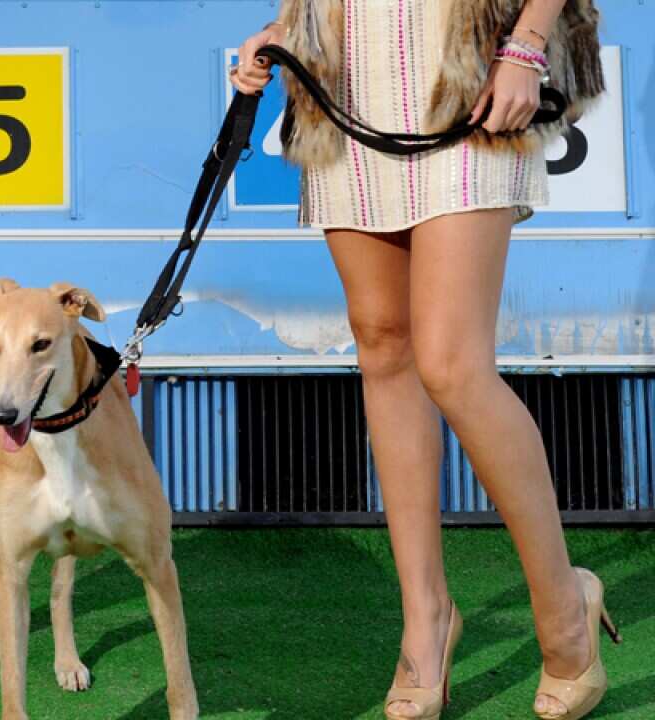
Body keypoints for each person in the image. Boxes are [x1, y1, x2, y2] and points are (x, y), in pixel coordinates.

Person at [230, 1, 617, 719]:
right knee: (382, 344)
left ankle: (565, 607)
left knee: (451, 364)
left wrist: (528, 43)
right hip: (345, 82)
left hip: (470, 68)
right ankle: (427, 618)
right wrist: (288, 30)